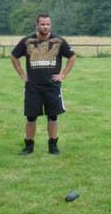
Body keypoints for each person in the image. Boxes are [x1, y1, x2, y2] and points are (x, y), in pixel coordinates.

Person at [10, 13, 76, 155]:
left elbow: (72, 56)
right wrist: (22, 73)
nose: (45, 27)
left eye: (48, 24)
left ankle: (53, 146)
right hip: (33, 87)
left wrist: (63, 74)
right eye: (42, 24)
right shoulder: (27, 41)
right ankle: (28, 146)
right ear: (37, 25)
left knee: (53, 116)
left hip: (52, 86)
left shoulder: (58, 41)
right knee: (31, 117)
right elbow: (14, 55)